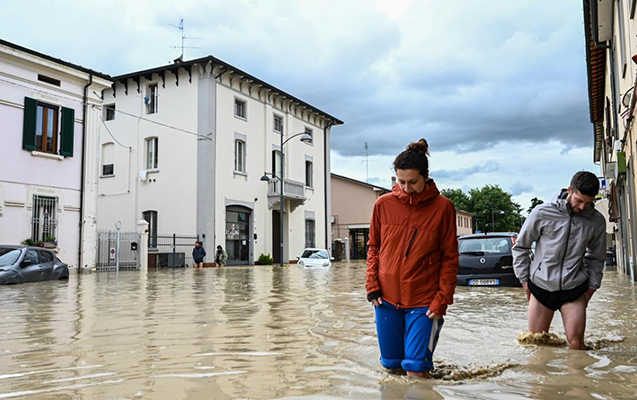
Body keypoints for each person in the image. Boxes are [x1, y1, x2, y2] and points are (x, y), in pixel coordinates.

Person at [366, 138, 459, 378]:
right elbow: (374, 248)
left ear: (426, 176)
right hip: (385, 300)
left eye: (413, 182)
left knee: (416, 371)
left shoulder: (443, 208)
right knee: (392, 368)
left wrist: (442, 300)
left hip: (424, 303)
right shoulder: (382, 204)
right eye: (401, 181)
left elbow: (450, 259)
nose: (406, 188)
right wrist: (371, 286)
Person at [512, 171, 606, 350]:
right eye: (579, 200)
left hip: (574, 288)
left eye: (588, 202)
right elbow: (521, 247)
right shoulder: (542, 212)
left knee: (576, 346)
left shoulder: (596, 221)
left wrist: (591, 289)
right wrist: (524, 281)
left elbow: (596, 258)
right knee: (537, 346)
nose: (583, 207)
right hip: (541, 287)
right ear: (570, 191)